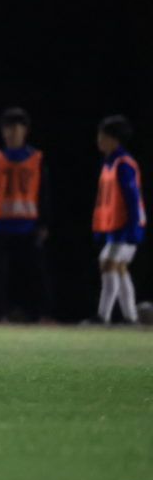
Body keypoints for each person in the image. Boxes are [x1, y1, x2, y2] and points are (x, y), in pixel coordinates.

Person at [0, 108, 52, 321]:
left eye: (17, 128)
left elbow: (43, 192)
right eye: (8, 128)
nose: (12, 133)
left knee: (35, 274)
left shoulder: (36, 158)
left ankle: (42, 315)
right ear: (2, 131)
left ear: (25, 131)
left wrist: (43, 223)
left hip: (28, 225)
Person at [91, 115, 145, 324]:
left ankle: (103, 316)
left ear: (113, 139)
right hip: (116, 225)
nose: (99, 139)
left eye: (102, 135)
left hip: (126, 225)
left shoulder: (123, 163)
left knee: (107, 263)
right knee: (119, 268)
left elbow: (132, 197)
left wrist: (133, 228)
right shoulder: (110, 163)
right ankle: (130, 317)